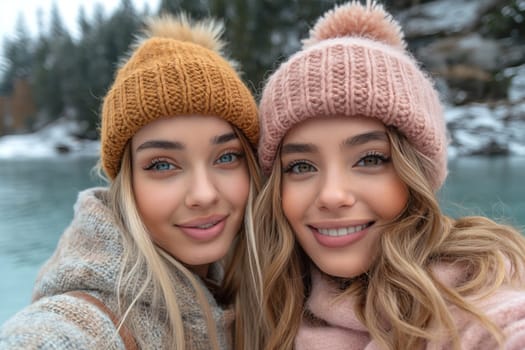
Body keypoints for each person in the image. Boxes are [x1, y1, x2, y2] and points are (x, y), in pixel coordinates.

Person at [254, 1, 525, 349]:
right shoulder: (257, 308)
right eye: (301, 166)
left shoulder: (472, 295)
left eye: (369, 159)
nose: (332, 195)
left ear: (416, 173)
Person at [0, 13, 261, 350]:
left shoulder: (265, 280)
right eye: (163, 164)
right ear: (127, 183)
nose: (203, 194)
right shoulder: (95, 319)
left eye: (226, 157)